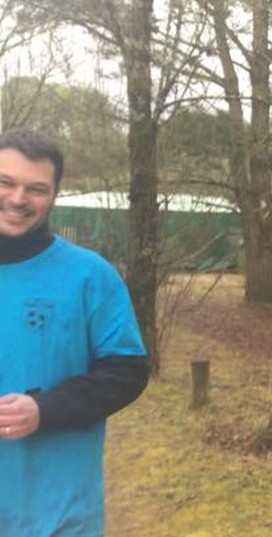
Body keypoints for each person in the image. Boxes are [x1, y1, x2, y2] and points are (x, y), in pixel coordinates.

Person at [0, 129, 149, 535]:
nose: (17, 199)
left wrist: (44, 409)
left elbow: (127, 373)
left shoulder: (89, 275)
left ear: (53, 195)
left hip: (58, 514)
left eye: (36, 189)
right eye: (5, 182)